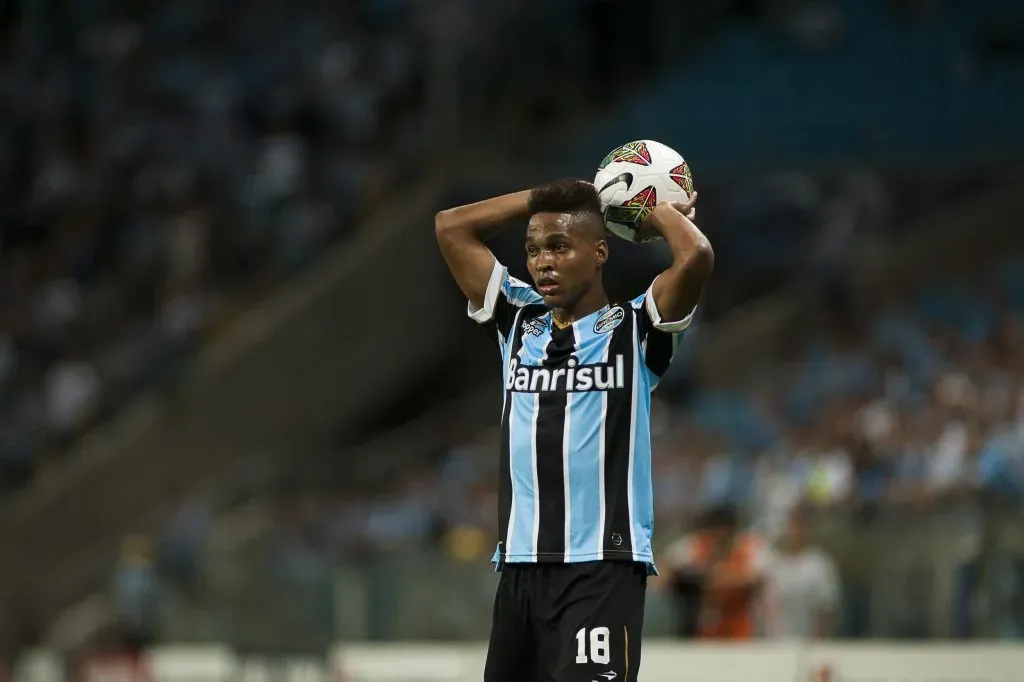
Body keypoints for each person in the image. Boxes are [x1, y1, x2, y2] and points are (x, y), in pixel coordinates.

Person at [435, 179, 712, 682]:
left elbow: (695, 256)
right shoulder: (517, 321)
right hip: (520, 568)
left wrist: (652, 211)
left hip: (601, 568)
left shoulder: (636, 330)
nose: (542, 262)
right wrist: (544, 199)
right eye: (533, 250)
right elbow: (450, 227)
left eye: (560, 246)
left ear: (600, 251)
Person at [654, 507, 770, 640]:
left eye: (725, 530)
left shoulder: (749, 547)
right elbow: (661, 575)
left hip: (741, 632)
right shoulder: (694, 547)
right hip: (701, 631)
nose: (719, 535)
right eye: (715, 530)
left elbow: (759, 578)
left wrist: (715, 579)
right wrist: (692, 577)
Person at [764, 506, 839, 639]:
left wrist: (819, 645)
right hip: (774, 647)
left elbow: (827, 610)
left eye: (799, 526)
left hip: (807, 645)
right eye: (791, 526)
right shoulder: (772, 563)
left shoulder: (819, 564)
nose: (794, 532)